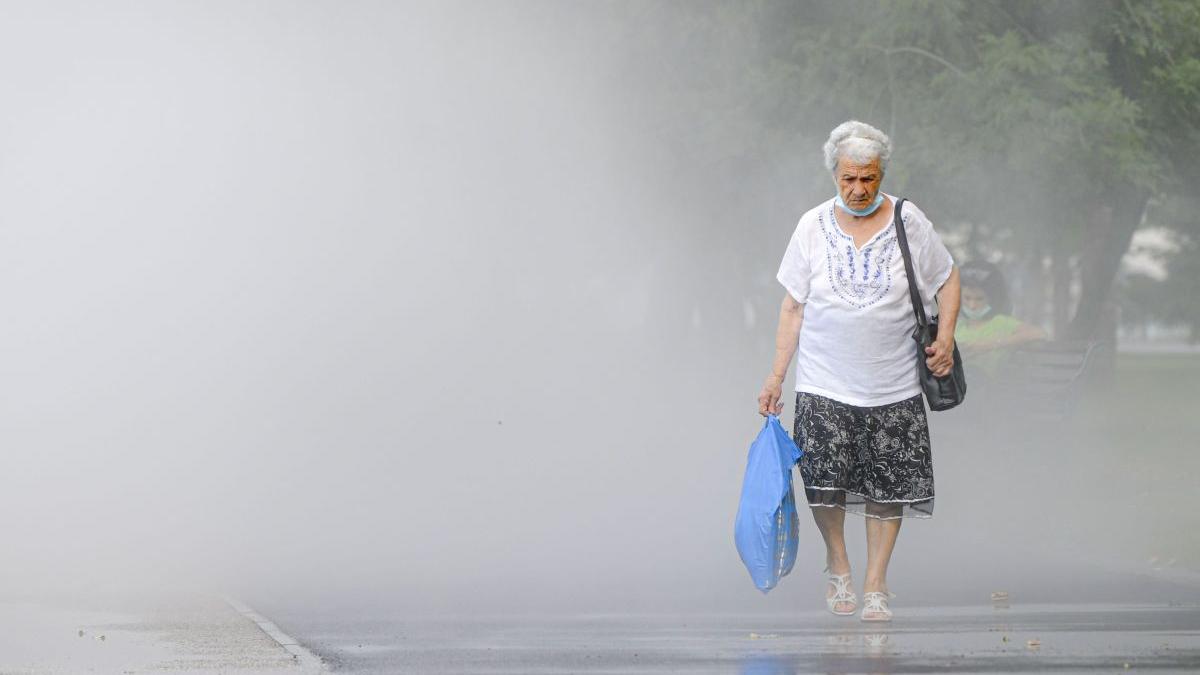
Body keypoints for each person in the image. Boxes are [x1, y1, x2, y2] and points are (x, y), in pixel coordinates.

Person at [757, 120, 960, 622]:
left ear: (881, 174)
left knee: (888, 485)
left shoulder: (909, 222)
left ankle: (875, 582)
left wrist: (947, 337)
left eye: (868, 178)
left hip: (894, 384)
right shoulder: (811, 226)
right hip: (824, 380)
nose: (858, 189)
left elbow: (949, 279)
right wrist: (776, 377)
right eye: (849, 178)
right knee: (824, 481)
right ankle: (839, 563)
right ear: (834, 174)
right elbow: (792, 307)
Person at [954, 260, 1046, 380]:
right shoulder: (956, 326)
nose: (972, 305)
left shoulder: (1001, 323)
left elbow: (1038, 333)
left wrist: (991, 344)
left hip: (985, 386)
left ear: (993, 298)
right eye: (967, 298)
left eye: (979, 299)